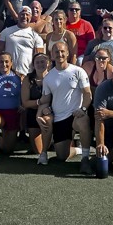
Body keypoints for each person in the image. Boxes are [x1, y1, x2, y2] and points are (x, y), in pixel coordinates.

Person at [36, 42, 93, 172]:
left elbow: (87, 94)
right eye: (56, 52)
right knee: (62, 156)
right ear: (52, 55)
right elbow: (45, 100)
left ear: (67, 53)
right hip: (59, 118)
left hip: (75, 115)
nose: (60, 54)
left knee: (84, 121)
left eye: (62, 51)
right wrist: (38, 114)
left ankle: (85, 159)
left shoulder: (78, 71)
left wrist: (83, 109)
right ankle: (77, 149)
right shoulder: (48, 77)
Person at [0, 6, 44, 76]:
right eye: (22, 14)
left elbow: (40, 57)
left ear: (31, 17)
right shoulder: (6, 32)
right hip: (8, 74)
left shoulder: (36, 36)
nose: (24, 17)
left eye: (27, 15)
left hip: (27, 75)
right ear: (18, 16)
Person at [21, 52, 50, 156]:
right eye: (37, 62)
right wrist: (40, 102)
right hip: (33, 114)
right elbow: (25, 103)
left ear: (48, 63)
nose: (40, 64)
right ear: (33, 65)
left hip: (51, 112)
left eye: (43, 61)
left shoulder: (54, 76)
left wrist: (46, 107)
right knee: (38, 150)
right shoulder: (28, 79)